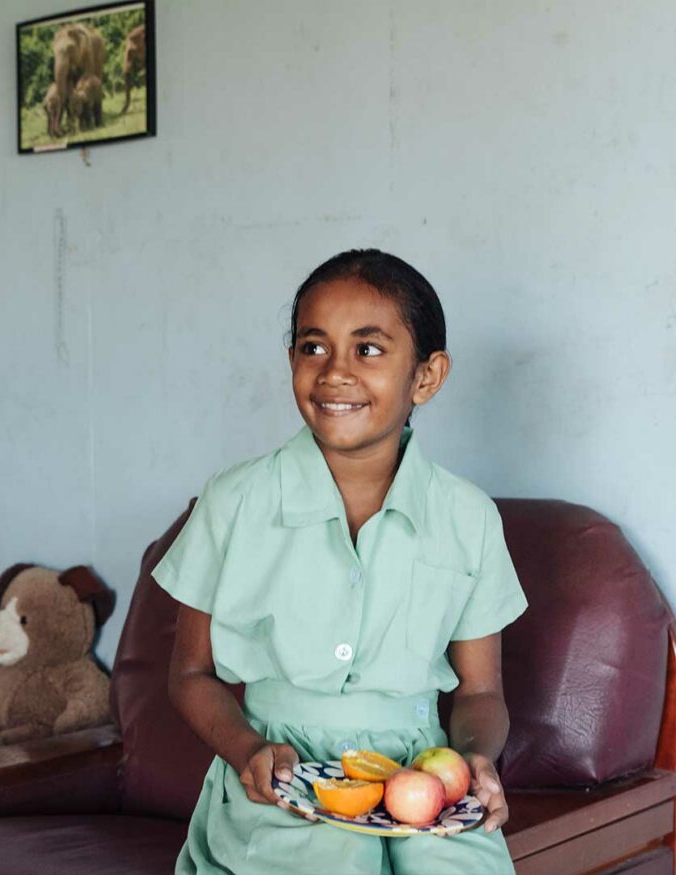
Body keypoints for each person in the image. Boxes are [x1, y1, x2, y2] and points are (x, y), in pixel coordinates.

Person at [152, 249, 528, 874]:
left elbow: (481, 691)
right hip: (282, 780)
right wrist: (248, 750)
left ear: (427, 377)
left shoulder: (469, 518)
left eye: (369, 349)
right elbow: (190, 676)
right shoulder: (236, 500)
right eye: (313, 347)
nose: (335, 373)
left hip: (422, 779)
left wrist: (475, 760)